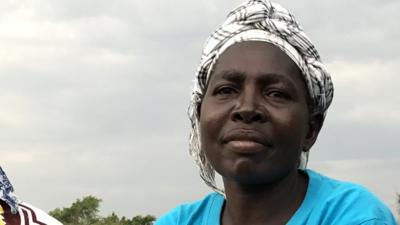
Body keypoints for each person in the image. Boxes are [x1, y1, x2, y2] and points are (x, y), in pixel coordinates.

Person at [155, 0, 397, 224]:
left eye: (276, 93)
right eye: (226, 90)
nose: (247, 108)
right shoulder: (178, 221)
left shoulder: (354, 216)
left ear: (311, 129)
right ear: (199, 116)